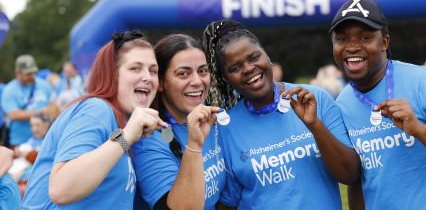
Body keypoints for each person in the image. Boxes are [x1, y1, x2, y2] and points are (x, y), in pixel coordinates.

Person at [330, 0, 426, 210]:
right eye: (342, 39)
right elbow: (359, 181)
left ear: (384, 42)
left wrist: (420, 130)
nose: (352, 47)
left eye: (365, 37)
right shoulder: (342, 103)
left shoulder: (425, 82)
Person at [203, 20, 360, 209]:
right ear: (226, 79)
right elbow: (229, 203)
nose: (248, 68)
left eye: (254, 58)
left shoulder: (315, 98)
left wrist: (314, 125)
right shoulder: (225, 128)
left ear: (266, 56)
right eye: (235, 68)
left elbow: (350, 175)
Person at [22, 30, 167, 208]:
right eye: (135, 68)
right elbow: (60, 190)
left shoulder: (119, 121)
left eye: (153, 70)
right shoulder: (97, 108)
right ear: (111, 75)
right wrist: (126, 137)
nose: (147, 77)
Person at [132, 33, 225, 210]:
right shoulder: (147, 137)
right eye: (183, 73)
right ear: (160, 82)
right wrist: (194, 145)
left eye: (203, 71)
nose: (197, 81)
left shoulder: (214, 115)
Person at [1, 54, 54, 149]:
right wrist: (40, 112)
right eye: (28, 73)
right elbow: (13, 115)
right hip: (18, 143)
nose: (32, 76)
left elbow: (54, 103)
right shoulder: (9, 90)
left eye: (34, 72)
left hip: (43, 142)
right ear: (17, 73)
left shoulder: (44, 85)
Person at [9, 113, 52, 197]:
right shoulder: (32, 139)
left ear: (46, 124)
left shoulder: (49, 141)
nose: (34, 129)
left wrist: (27, 154)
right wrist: (17, 153)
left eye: (37, 125)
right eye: (32, 126)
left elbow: (44, 157)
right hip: (18, 178)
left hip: (32, 182)